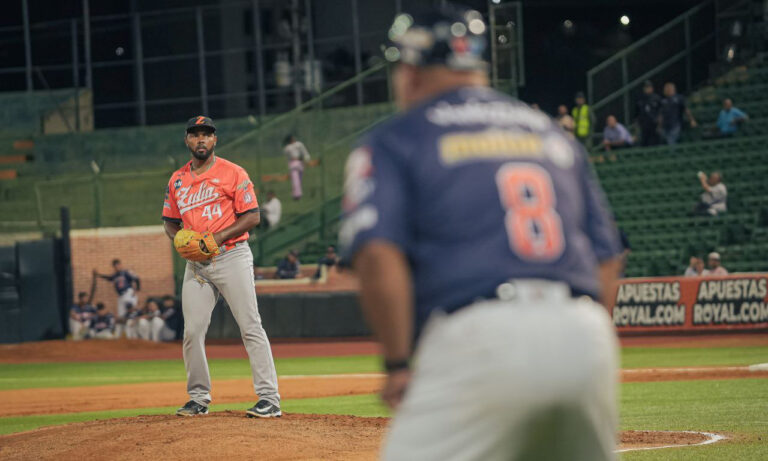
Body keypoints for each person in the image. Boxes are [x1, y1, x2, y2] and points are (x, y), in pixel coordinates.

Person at [341, 7, 622, 460]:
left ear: (410, 70)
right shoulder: (551, 133)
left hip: (480, 336)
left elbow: (377, 253)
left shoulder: (397, 137)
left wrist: (396, 363)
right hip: (585, 335)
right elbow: (608, 258)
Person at [162, 115, 281, 418]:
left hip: (231, 256)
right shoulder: (177, 180)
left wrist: (215, 238)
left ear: (215, 140)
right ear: (186, 140)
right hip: (196, 265)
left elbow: (252, 215)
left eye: (206, 134)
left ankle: (269, 398)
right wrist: (181, 241)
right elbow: (169, 221)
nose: (201, 139)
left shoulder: (233, 173)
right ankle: (198, 397)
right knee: (192, 332)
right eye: (195, 134)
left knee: (250, 325)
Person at [283, 134, 311, 200]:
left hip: (300, 162)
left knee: (299, 180)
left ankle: (296, 194)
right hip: (293, 164)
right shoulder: (287, 148)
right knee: (295, 181)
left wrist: (306, 159)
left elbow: (304, 152)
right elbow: (288, 158)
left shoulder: (299, 144)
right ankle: (297, 195)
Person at [635, 80, 661, 146]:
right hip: (643, 125)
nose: (647, 89)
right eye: (646, 87)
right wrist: (637, 126)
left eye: (649, 87)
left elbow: (661, 112)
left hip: (654, 125)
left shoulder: (656, 98)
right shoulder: (640, 98)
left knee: (655, 143)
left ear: (652, 88)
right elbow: (637, 114)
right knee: (644, 143)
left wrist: (660, 125)